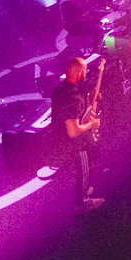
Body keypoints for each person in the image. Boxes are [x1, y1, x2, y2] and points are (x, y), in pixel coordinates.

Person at [50, 56, 104, 212]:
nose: (86, 72)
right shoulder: (73, 98)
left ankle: (84, 188)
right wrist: (92, 124)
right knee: (85, 169)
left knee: (89, 162)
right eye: (85, 69)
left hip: (60, 138)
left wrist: (91, 96)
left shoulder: (61, 89)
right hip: (75, 143)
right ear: (79, 72)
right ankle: (83, 202)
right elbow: (73, 131)